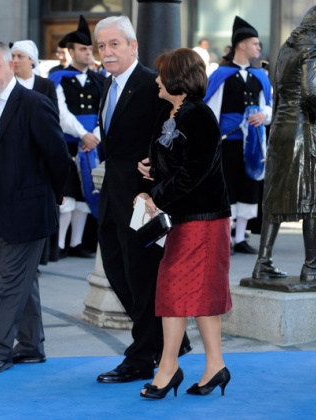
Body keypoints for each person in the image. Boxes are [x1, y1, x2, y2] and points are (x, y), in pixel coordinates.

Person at [94, 15, 190, 384]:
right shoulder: (109, 85)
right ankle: (166, 342)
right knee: (120, 273)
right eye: (102, 46)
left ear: (133, 46)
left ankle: (140, 358)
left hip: (143, 200)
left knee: (143, 277)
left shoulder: (152, 84)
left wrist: (157, 180)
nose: (107, 52)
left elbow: (172, 133)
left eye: (114, 44)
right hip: (112, 198)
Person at [137, 48, 232, 400]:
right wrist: (153, 170)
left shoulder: (199, 116)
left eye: (162, 73)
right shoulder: (170, 112)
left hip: (203, 220)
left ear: (177, 77)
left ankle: (168, 367)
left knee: (174, 292)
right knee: (198, 295)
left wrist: (155, 196)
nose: (157, 79)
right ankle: (215, 366)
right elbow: (179, 164)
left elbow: (195, 172)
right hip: (185, 218)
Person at [0, 41, 70, 373]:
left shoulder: (33, 104)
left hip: (27, 211)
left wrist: (51, 198)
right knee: (22, 278)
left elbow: (58, 156)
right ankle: (31, 345)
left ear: (11, 66)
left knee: (11, 281)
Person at [251, 4, 316, 282]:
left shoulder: (287, 46)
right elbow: (310, 93)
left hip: (280, 128)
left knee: (274, 195)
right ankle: (313, 265)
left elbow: (280, 92)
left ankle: (263, 262)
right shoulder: (312, 48)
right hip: (301, 129)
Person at [204, 16, 272, 254]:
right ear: (241, 45)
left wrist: (263, 116)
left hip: (252, 143)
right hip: (228, 142)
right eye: (255, 43)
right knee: (228, 187)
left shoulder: (261, 76)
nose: (258, 48)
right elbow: (211, 110)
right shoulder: (221, 74)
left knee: (249, 187)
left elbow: (270, 108)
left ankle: (241, 237)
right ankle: (226, 237)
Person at [48, 15, 104, 259]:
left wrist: (96, 137)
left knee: (85, 197)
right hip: (69, 144)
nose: (88, 53)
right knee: (67, 198)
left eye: (90, 49)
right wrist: (83, 135)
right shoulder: (58, 78)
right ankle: (59, 245)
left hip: (93, 146)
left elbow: (106, 111)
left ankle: (78, 243)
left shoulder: (100, 79)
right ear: (70, 51)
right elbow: (61, 113)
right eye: (83, 49)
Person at [10, 40, 60, 263]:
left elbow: (53, 115)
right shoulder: (8, 84)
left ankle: (38, 256)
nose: (16, 60)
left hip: (39, 154)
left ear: (32, 60)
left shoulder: (45, 85)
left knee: (38, 204)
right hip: (14, 154)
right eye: (14, 56)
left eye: (21, 56)